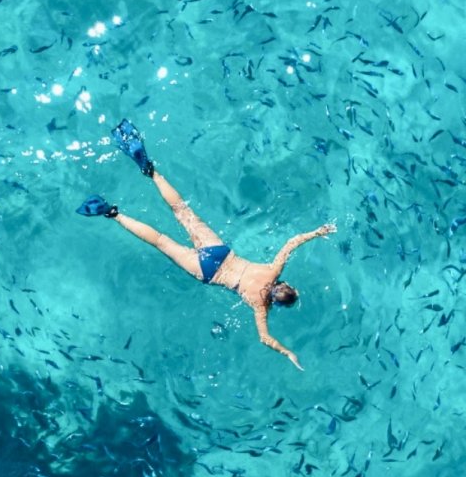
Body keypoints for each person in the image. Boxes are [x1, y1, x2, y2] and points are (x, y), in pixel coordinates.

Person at [77, 120, 336, 369]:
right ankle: (111, 212)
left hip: (220, 252)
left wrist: (317, 232)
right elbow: (264, 338)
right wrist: (287, 352)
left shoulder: (273, 271)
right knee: (160, 240)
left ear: (285, 285)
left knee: (181, 210)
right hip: (208, 271)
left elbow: (292, 242)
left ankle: (150, 170)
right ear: (276, 302)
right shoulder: (261, 306)